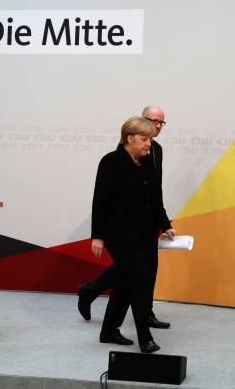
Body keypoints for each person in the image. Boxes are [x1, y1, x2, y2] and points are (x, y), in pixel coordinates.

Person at [78, 106, 173, 330]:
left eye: (161, 122)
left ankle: (92, 292)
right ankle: (142, 325)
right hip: (125, 229)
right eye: (153, 121)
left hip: (147, 226)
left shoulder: (156, 150)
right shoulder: (120, 154)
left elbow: (155, 191)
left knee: (141, 270)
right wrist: (98, 235)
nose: (157, 126)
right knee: (135, 272)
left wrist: (164, 224)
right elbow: (105, 197)